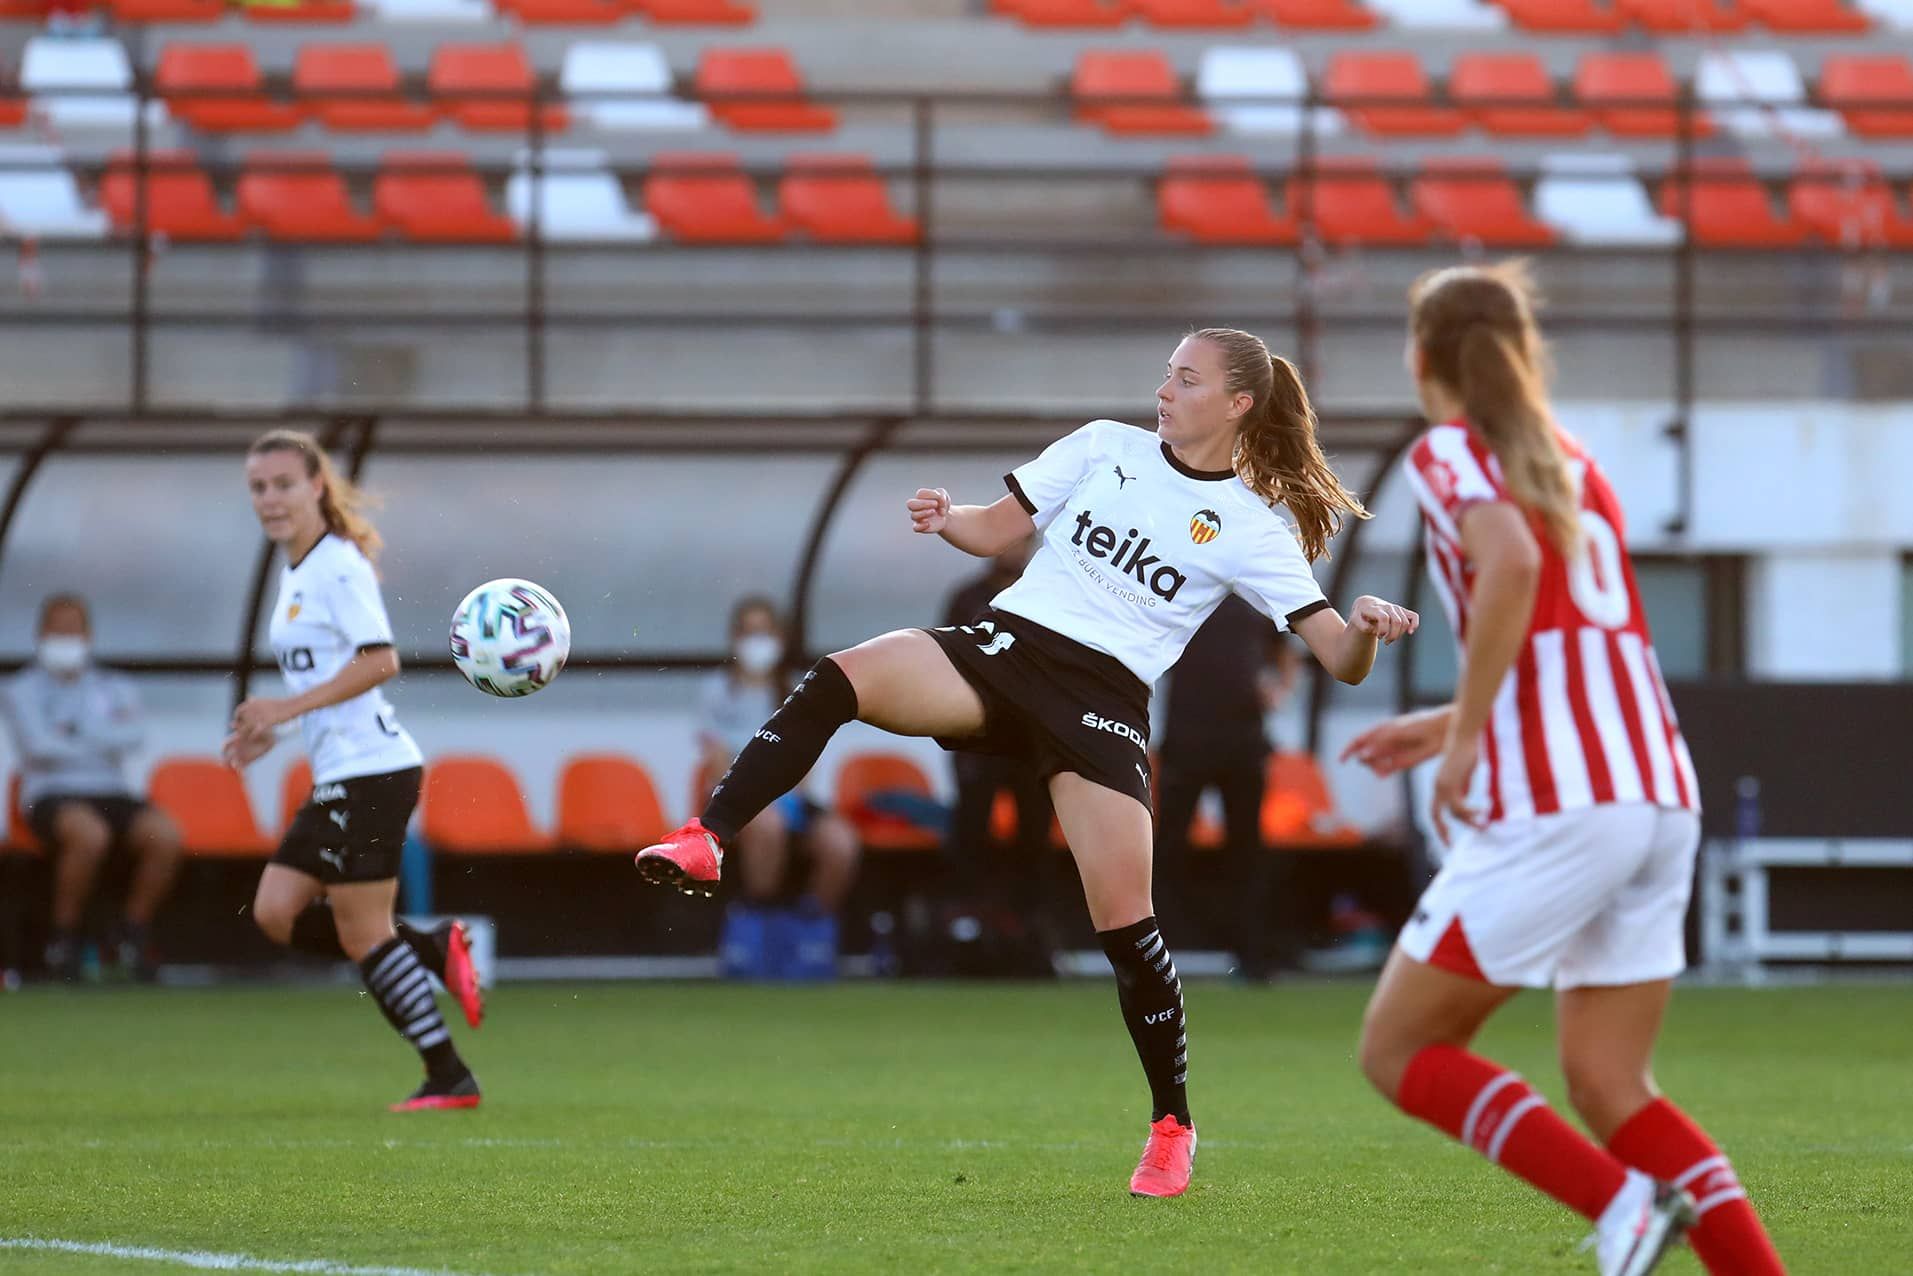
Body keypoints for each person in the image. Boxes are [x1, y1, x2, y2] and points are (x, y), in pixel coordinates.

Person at [638, 328, 1418, 1197]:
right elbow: (993, 530)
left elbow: (1339, 658)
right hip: (1006, 648)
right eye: (1165, 373)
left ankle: (1171, 1126)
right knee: (840, 676)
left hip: (1101, 703)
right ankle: (706, 836)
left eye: (1185, 379)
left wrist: (1365, 628)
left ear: (1237, 404)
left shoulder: (1249, 525)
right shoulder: (1104, 446)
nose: (1163, 390)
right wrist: (950, 520)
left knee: (1127, 928)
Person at [1345, 262, 1784, 1276]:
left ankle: (1622, 1205)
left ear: (1420, 358)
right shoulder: (1571, 458)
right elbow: (1573, 636)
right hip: (1656, 791)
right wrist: (1449, 720)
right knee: (1608, 1082)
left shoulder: (1450, 450)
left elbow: (1511, 566)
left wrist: (1465, 741)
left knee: (1397, 1048)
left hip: (1559, 801)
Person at [220, 429, 486, 1113]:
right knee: (276, 913)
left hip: (373, 773)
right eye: (258, 487)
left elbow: (379, 660)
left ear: (316, 485)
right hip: (343, 773)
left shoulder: (337, 566)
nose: (270, 499)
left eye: (283, 484)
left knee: (362, 933)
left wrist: (284, 708)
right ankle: (427, 947)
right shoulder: (299, 570)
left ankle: (448, 1074)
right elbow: (330, 683)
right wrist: (276, 732)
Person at [2, 594, 181, 981]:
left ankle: (131, 932)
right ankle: (63, 938)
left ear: (88, 635)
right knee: (89, 834)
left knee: (165, 836)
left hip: (111, 790)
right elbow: (38, 747)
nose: (66, 637)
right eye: (57, 629)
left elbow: (134, 736)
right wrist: (101, 737)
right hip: (51, 792)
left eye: (73, 629)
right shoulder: (21, 688)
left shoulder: (113, 684)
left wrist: (72, 732)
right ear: (40, 634)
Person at [697, 596, 861, 978]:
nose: (758, 641)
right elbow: (717, 763)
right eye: (749, 632)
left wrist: (790, 802)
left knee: (841, 844)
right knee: (768, 825)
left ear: (781, 637)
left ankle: (809, 933)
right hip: (736, 799)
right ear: (735, 637)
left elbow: (805, 760)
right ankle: (757, 926)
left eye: (765, 631)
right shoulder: (716, 692)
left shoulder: (799, 687)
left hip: (792, 798)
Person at [1152, 594, 1298, 980]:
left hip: (1244, 743)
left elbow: (1287, 650)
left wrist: (1279, 689)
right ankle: (1155, 950)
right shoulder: (1182, 590)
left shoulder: (1257, 597)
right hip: (1187, 740)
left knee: (1246, 849)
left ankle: (1251, 953)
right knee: (1167, 848)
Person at [939, 537, 1054, 941]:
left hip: (1030, 736)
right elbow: (946, 660)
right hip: (978, 732)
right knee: (971, 826)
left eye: (1023, 543)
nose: (1013, 550)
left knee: (1035, 829)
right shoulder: (966, 599)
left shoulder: (1047, 591)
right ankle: (966, 921)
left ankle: (1030, 926)